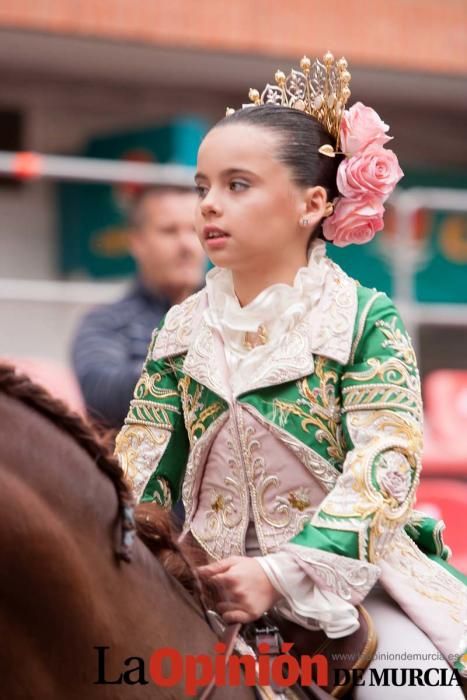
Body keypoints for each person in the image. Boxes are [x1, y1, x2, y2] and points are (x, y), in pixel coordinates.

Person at [115, 54, 466, 698]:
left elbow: (386, 466)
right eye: (202, 187)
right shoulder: (182, 327)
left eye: (237, 184)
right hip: (202, 581)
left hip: (349, 585)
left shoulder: (364, 318)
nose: (209, 206)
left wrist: (277, 574)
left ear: (311, 203)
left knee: (419, 691)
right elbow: (142, 467)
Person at [72, 185, 206, 429]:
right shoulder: (106, 322)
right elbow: (100, 394)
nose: (187, 244)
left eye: (195, 230)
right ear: (136, 242)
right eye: (169, 231)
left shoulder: (236, 313)